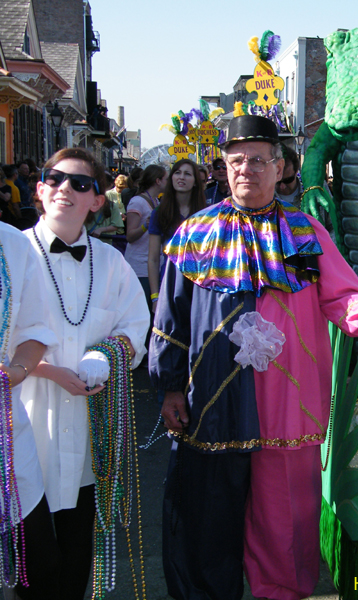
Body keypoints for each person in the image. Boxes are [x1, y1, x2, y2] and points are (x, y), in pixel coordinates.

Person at [149, 115, 358, 600]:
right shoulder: (195, 235)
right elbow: (170, 317)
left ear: (280, 168)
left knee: (285, 522)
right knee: (210, 518)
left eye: (258, 160)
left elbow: (340, 299)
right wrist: (170, 385)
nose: (247, 170)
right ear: (222, 169)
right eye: (237, 161)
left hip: (288, 404)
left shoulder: (302, 235)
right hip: (214, 400)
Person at [20, 148, 149, 600]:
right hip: (27, 430)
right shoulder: (11, 255)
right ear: (39, 190)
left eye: (79, 183)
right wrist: (48, 370)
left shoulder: (111, 263)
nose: (64, 190)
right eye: (54, 179)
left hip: (89, 436)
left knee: (77, 559)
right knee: (34, 565)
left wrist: (107, 354)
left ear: (97, 200)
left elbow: (136, 326)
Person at [0, 222, 58, 599]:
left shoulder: (12, 244)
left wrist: (15, 372)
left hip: (6, 434)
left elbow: (36, 329)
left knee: (37, 566)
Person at [147, 159, 206, 314]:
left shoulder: (206, 214)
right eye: (177, 173)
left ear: (195, 182)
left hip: (199, 288)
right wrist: (155, 297)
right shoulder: (159, 213)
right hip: (168, 285)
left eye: (187, 174)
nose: (181, 177)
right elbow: (153, 258)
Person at [125, 164, 167, 305]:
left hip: (153, 266)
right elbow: (130, 236)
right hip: (139, 268)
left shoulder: (156, 201)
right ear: (158, 181)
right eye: (166, 179)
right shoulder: (137, 202)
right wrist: (145, 226)